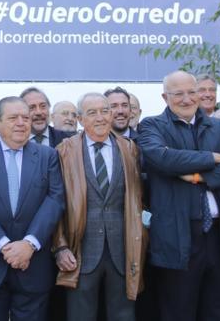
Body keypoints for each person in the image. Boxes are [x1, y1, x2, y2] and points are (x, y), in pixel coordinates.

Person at [137, 71, 220, 321]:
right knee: (179, 311)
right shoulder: (151, 125)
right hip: (179, 236)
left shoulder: (219, 126)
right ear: (165, 97)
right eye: (178, 93)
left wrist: (201, 177)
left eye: (192, 92)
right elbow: (162, 158)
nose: (186, 99)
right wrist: (212, 158)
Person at [0, 96, 65, 321]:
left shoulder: (48, 156)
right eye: (13, 118)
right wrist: (4, 245)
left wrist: (29, 244)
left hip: (33, 265)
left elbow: (55, 200)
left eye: (25, 118)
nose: (21, 123)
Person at [53, 93, 146, 321]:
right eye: (92, 113)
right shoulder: (64, 151)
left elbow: (137, 199)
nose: (101, 118)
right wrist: (60, 247)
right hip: (80, 252)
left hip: (123, 251)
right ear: (80, 119)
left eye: (105, 111)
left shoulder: (129, 148)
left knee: (123, 316)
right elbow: (55, 203)